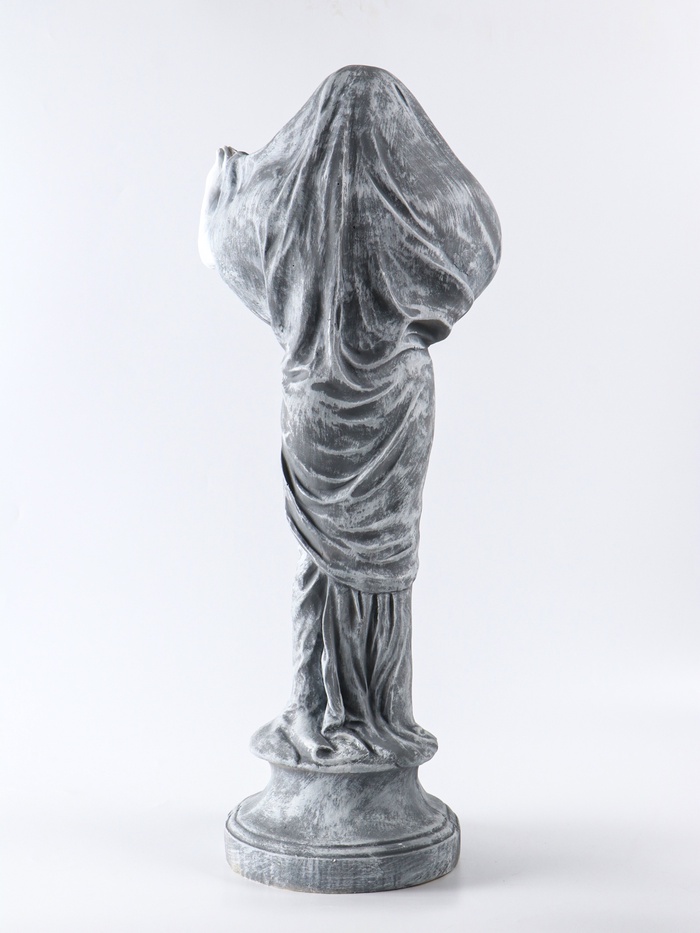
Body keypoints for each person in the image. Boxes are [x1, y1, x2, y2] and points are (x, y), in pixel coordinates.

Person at [199, 65, 501, 769]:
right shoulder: (424, 208)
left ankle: (309, 708)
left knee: (318, 563)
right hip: (397, 400)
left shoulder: (283, 207)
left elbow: (219, 247)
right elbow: (481, 242)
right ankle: (376, 715)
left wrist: (222, 188)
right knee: (384, 567)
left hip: (314, 404)